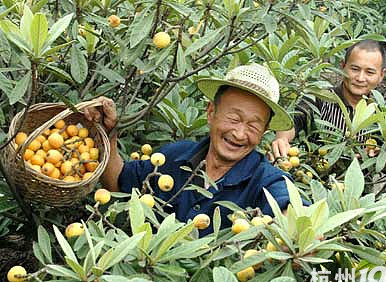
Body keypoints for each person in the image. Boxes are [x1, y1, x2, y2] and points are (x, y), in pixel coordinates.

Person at [85, 63, 304, 236]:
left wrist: (298, 231)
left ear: (264, 131)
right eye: (234, 118)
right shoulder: (173, 157)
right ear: (211, 112)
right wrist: (107, 134)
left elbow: (293, 209)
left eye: (253, 126)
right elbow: (118, 183)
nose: (239, 133)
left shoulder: (266, 180)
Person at [271, 39, 386, 160]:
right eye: (355, 69)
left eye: (370, 72)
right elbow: (294, 120)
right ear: (343, 66)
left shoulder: (381, 114)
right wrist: (282, 139)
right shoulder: (319, 97)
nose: (360, 78)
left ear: (381, 75)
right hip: (316, 175)